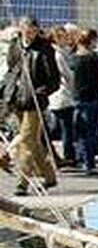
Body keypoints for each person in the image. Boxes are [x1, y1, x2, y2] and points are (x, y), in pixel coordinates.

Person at [2, 17, 60, 195]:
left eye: (33, 31)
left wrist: (41, 92)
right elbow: (12, 70)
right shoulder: (15, 45)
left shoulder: (45, 49)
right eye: (26, 31)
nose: (30, 35)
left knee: (26, 140)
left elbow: (54, 80)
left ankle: (22, 183)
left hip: (34, 102)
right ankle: (49, 175)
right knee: (34, 142)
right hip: (16, 98)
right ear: (21, 29)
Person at [70, 28, 98, 173]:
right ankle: (89, 163)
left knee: (80, 131)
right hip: (92, 97)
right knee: (90, 131)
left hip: (78, 97)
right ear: (91, 40)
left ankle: (82, 159)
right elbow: (96, 80)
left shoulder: (74, 58)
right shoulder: (92, 58)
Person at [47, 23, 77, 169]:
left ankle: (60, 156)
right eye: (62, 37)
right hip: (62, 95)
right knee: (66, 129)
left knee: (58, 128)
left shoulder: (61, 52)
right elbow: (67, 75)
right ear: (55, 38)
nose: (65, 39)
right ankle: (69, 156)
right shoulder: (58, 54)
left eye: (65, 36)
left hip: (59, 96)